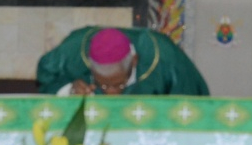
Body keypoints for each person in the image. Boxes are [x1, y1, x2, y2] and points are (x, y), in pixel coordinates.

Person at [36, 27, 209, 96]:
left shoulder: (164, 58)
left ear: (134, 61)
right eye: (102, 85)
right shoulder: (71, 53)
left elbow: (192, 102)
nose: (112, 94)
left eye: (118, 85)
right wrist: (69, 90)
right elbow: (46, 79)